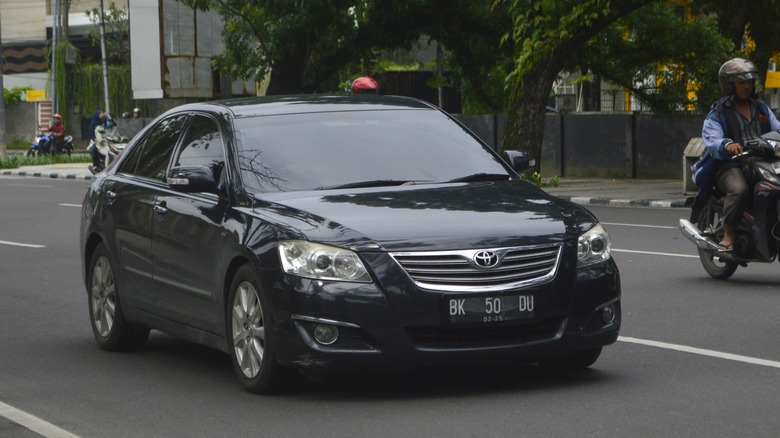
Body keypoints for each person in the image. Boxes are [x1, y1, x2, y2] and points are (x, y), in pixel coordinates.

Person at [700, 58, 780, 251]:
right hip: (731, 165)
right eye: (741, 82)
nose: (747, 86)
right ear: (730, 84)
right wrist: (727, 145)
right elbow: (711, 137)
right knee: (740, 190)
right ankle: (729, 234)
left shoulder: (761, 108)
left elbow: (777, 129)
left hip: (762, 162)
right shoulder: (719, 111)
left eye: (749, 82)